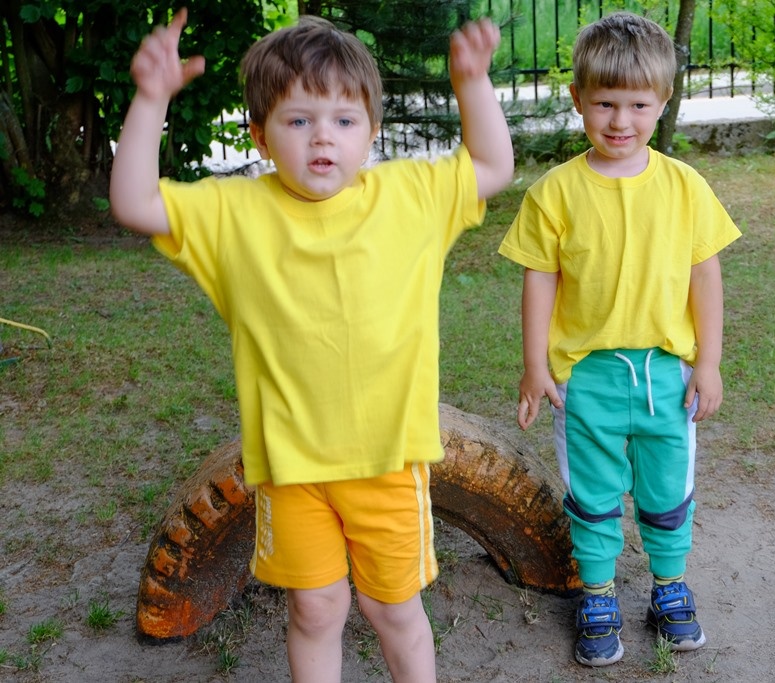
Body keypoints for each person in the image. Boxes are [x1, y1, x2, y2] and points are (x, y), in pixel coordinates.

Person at [110, 9, 512, 683]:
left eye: (344, 120)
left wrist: (472, 82)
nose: (323, 136)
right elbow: (134, 203)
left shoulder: (412, 197)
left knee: (394, 609)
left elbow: (494, 165)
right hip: (291, 467)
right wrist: (150, 99)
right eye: (298, 120)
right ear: (260, 134)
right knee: (316, 609)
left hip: (389, 461)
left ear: (372, 130)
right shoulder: (234, 214)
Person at [498, 11, 740, 668]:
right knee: (593, 493)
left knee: (668, 489)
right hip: (587, 378)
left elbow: (705, 275)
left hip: (666, 375)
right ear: (578, 98)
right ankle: (598, 593)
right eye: (605, 102)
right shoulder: (554, 194)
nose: (620, 120)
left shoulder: (685, 187)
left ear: (663, 102)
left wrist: (709, 362)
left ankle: (670, 586)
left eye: (637, 104)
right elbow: (539, 281)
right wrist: (534, 364)